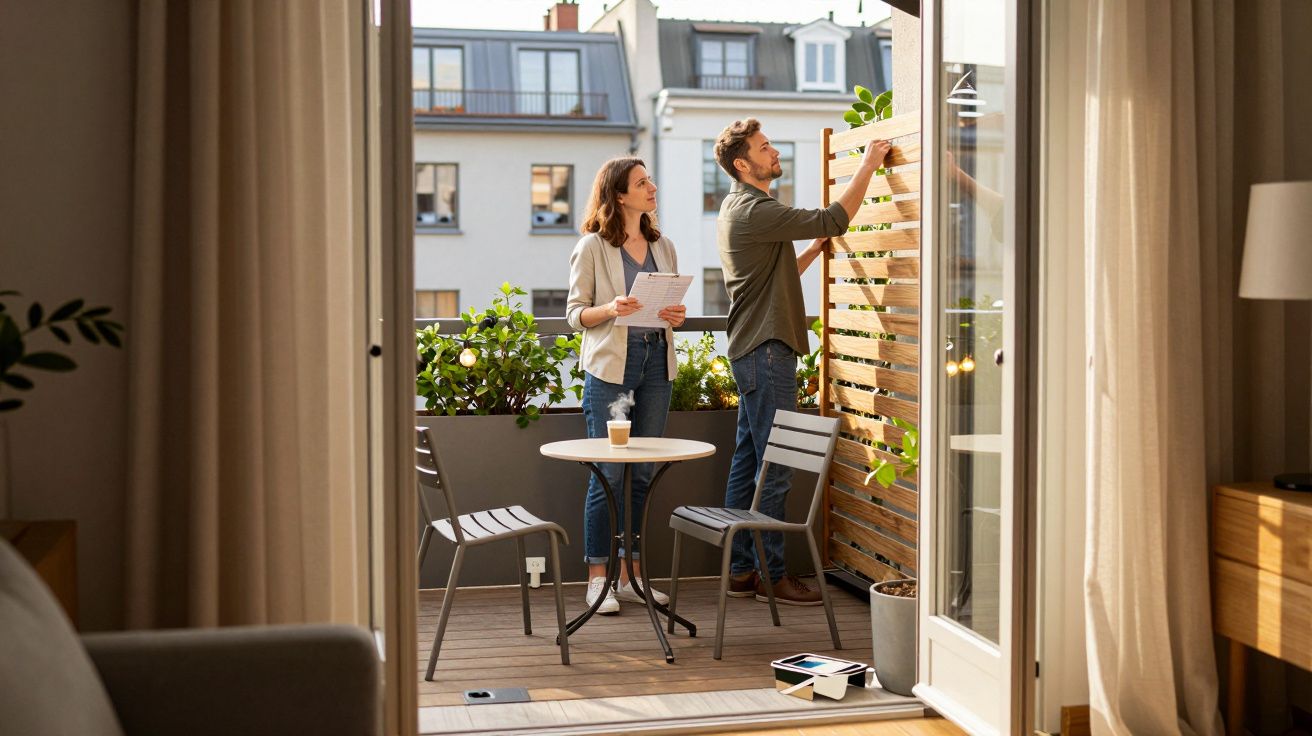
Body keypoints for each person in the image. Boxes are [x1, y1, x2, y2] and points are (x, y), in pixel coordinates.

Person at [713, 118, 890, 605]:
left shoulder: (736, 208)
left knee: (749, 460)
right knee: (778, 467)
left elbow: (774, 276)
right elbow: (835, 217)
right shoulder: (757, 208)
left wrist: (810, 253)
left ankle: (742, 571)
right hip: (768, 350)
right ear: (743, 164)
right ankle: (773, 575)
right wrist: (870, 163)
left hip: (752, 349)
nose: (774, 153)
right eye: (765, 148)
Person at [566, 157, 687, 614]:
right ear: (619, 195)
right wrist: (612, 308)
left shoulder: (664, 245)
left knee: (643, 474)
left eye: (650, 180)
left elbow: (671, 308)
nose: (651, 187)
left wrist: (676, 316)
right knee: (608, 475)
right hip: (613, 367)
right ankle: (598, 577)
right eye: (641, 183)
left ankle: (630, 575)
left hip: (657, 364)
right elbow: (575, 314)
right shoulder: (593, 246)